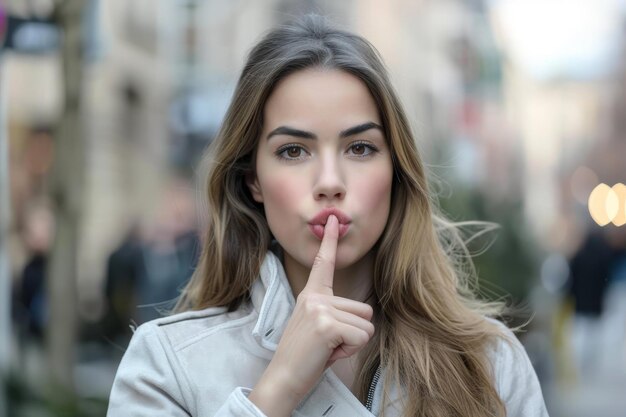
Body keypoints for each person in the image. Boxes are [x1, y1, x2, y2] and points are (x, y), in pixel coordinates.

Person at [107, 15, 549, 417]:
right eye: (293, 151)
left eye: (360, 148)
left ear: (395, 171)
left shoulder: (489, 362)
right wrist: (278, 388)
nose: (330, 181)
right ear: (252, 180)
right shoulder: (168, 365)